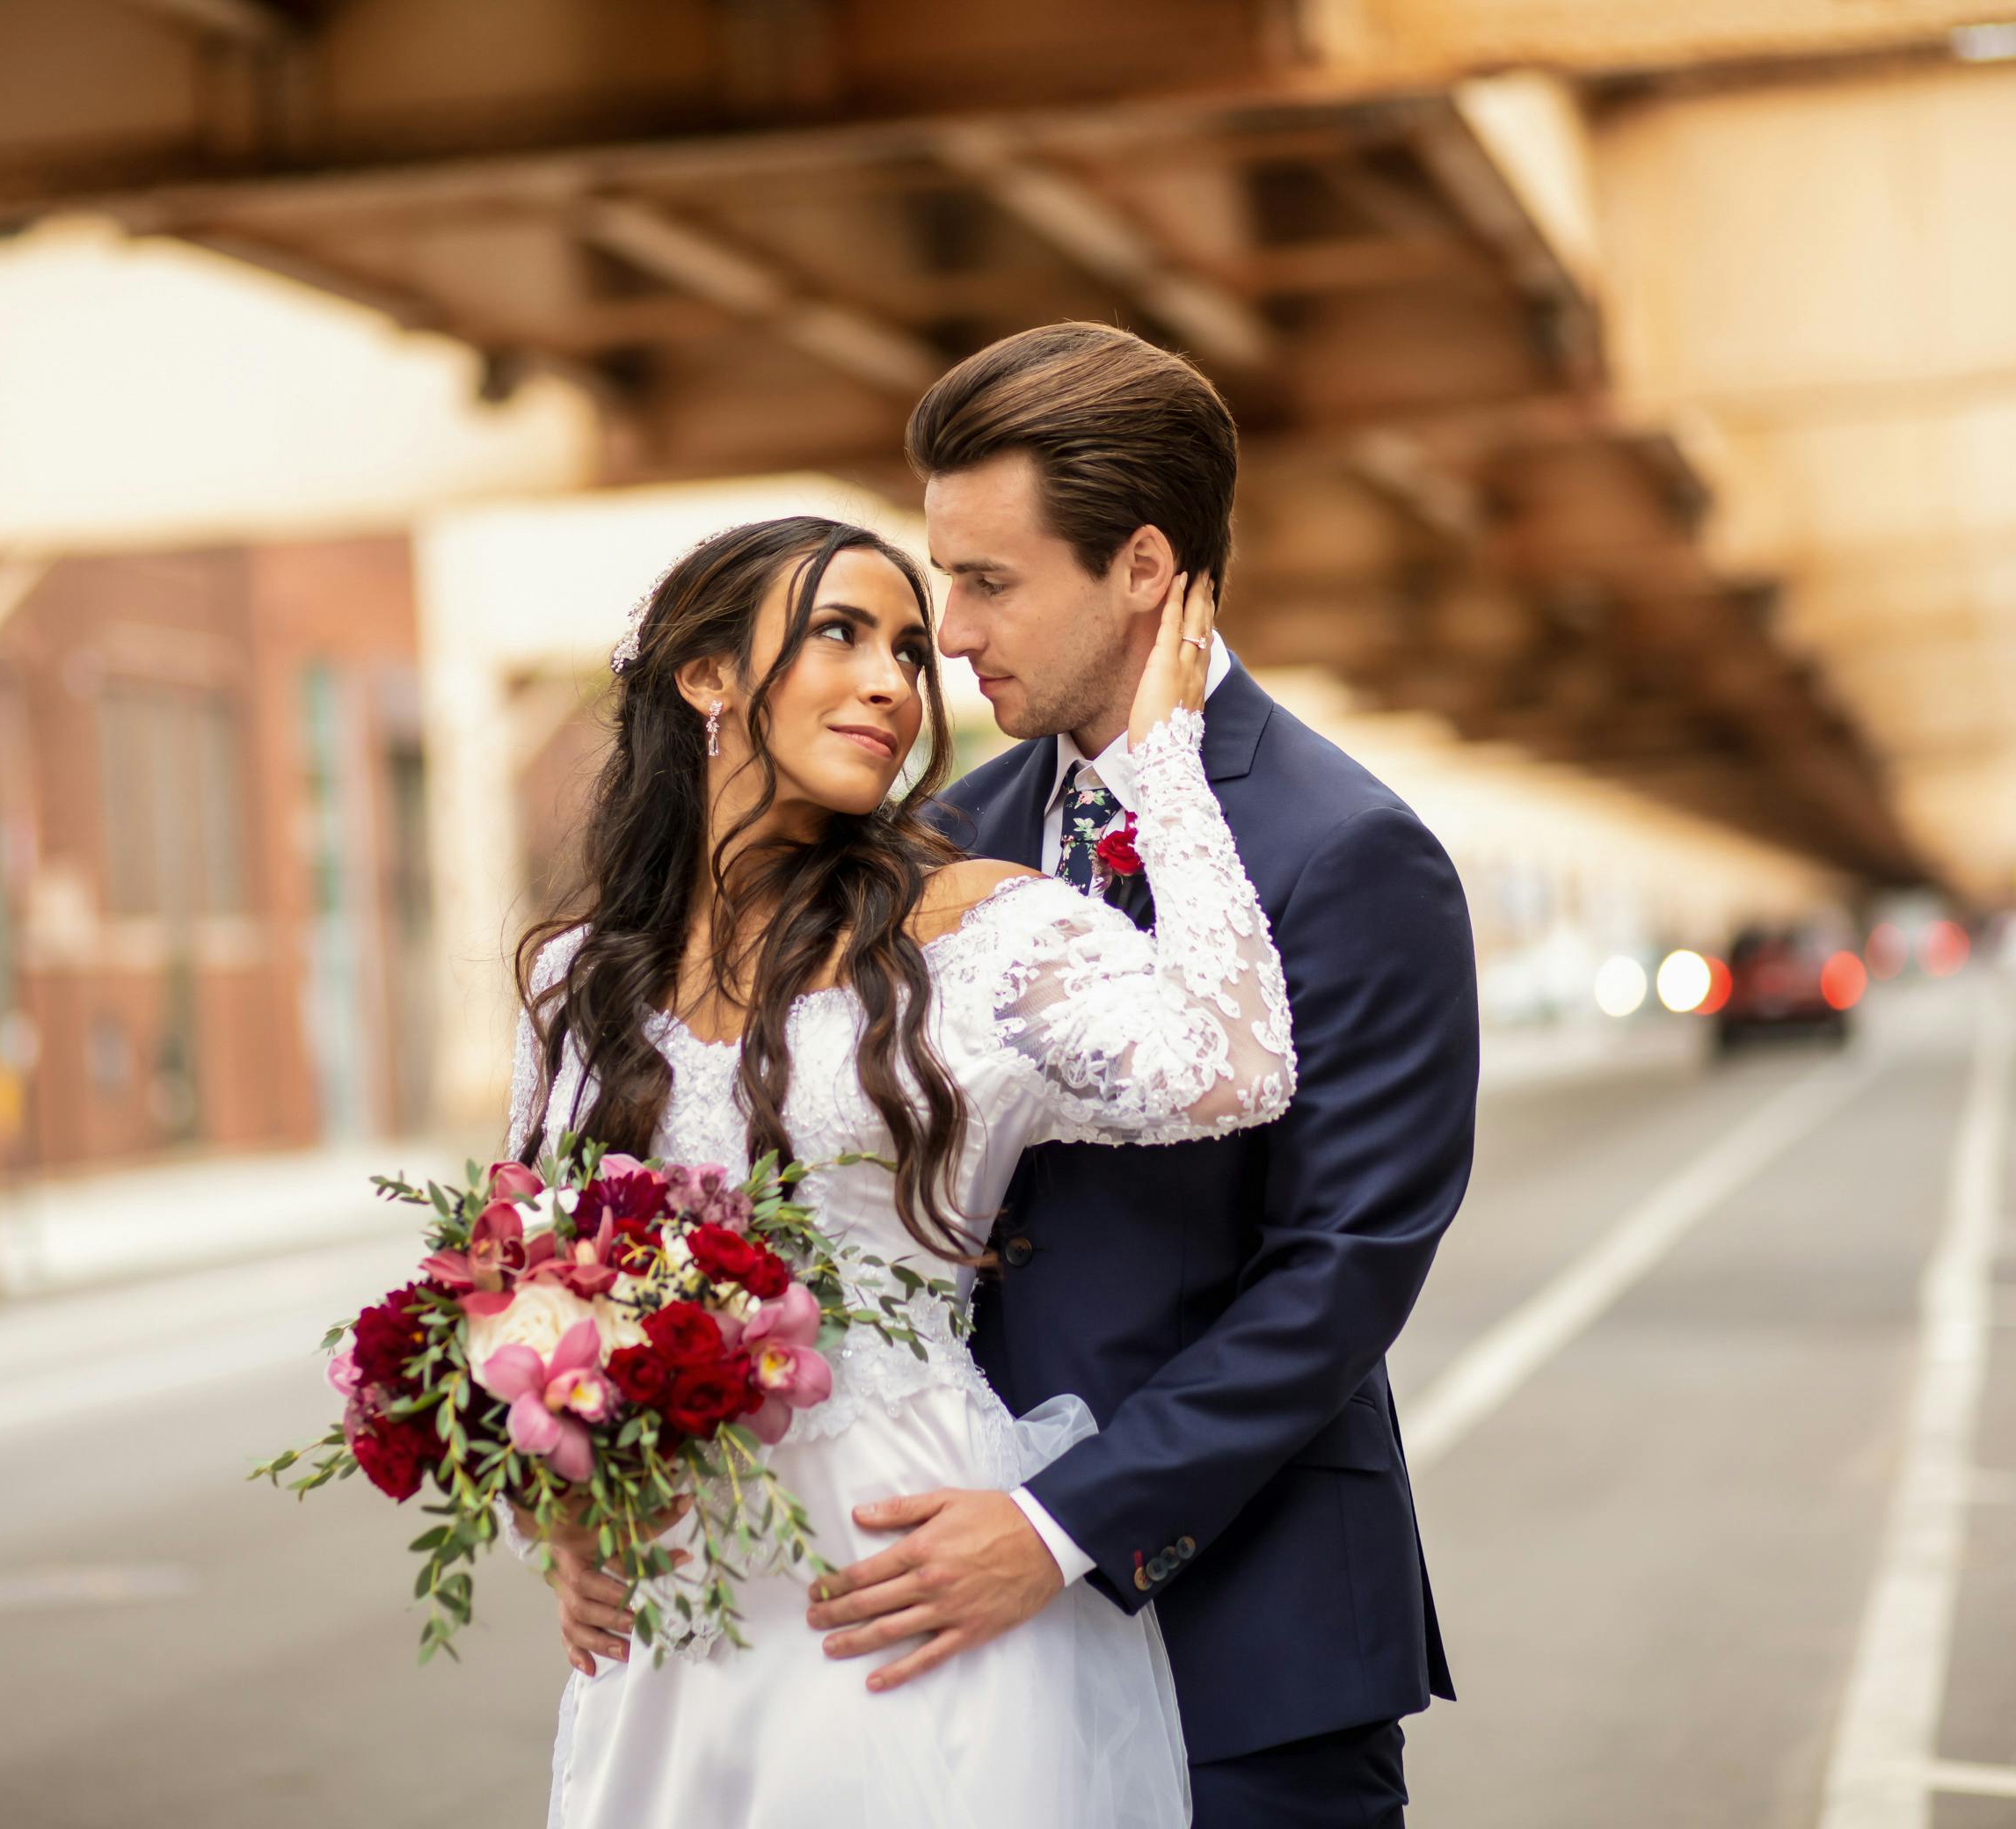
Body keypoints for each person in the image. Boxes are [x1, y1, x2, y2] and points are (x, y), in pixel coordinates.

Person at [507, 511, 1293, 1829]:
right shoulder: (573, 977)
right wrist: (561, 1516)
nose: (891, 678)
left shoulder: (974, 931)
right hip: (673, 1602)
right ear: (704, 677)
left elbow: (1233, 1066)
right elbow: (531, 1276)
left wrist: (1165, 765)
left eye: (911, 650)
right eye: (840, 633)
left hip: (907, 1564)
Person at [797, 322, 1474, 1826]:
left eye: (987, 583)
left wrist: (1055, 1528)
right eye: (942, 578)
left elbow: (1344, 1267)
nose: (944, 639)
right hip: (960, 1647)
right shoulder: (934, 842)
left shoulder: (1351, 849)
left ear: (1145, 567)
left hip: (1253, 1636)